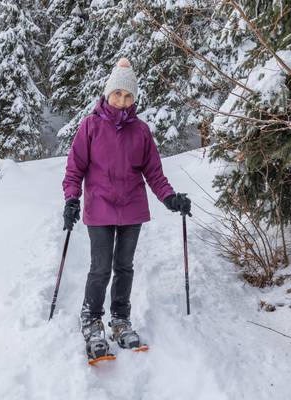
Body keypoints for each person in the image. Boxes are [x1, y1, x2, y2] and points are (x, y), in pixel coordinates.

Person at [61, 58, 192, 359]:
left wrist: (170, 198)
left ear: (134, 98)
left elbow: (154, 173)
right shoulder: (90, 126)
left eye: (128, 95)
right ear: (108, 94)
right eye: (117, 94)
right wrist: (71, 199)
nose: (122, 101)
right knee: (101, 267)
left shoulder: (141, 131)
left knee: (124, 267)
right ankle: (92, 319)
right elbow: (74, 169)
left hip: (131, 208)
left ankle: (120, 319)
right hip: (100, 207)